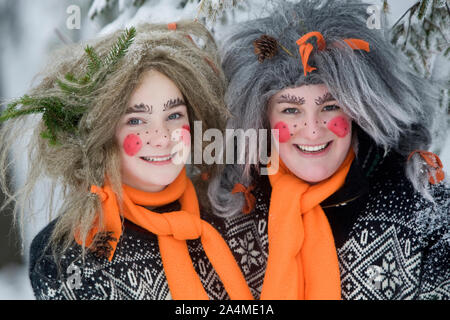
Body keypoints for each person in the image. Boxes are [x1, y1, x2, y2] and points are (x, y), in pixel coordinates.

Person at [207, 0, 450, 300]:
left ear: (358, 112)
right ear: (262, 118)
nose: (312, 129)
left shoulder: (423, 209)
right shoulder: (234, 211)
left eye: (330, 106)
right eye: (291, 110)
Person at [0, 21, 254, 300]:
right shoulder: (66, 256)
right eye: (136, 120)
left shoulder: (232, 210)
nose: (162, 137)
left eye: (174, 115)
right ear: (103, 134)